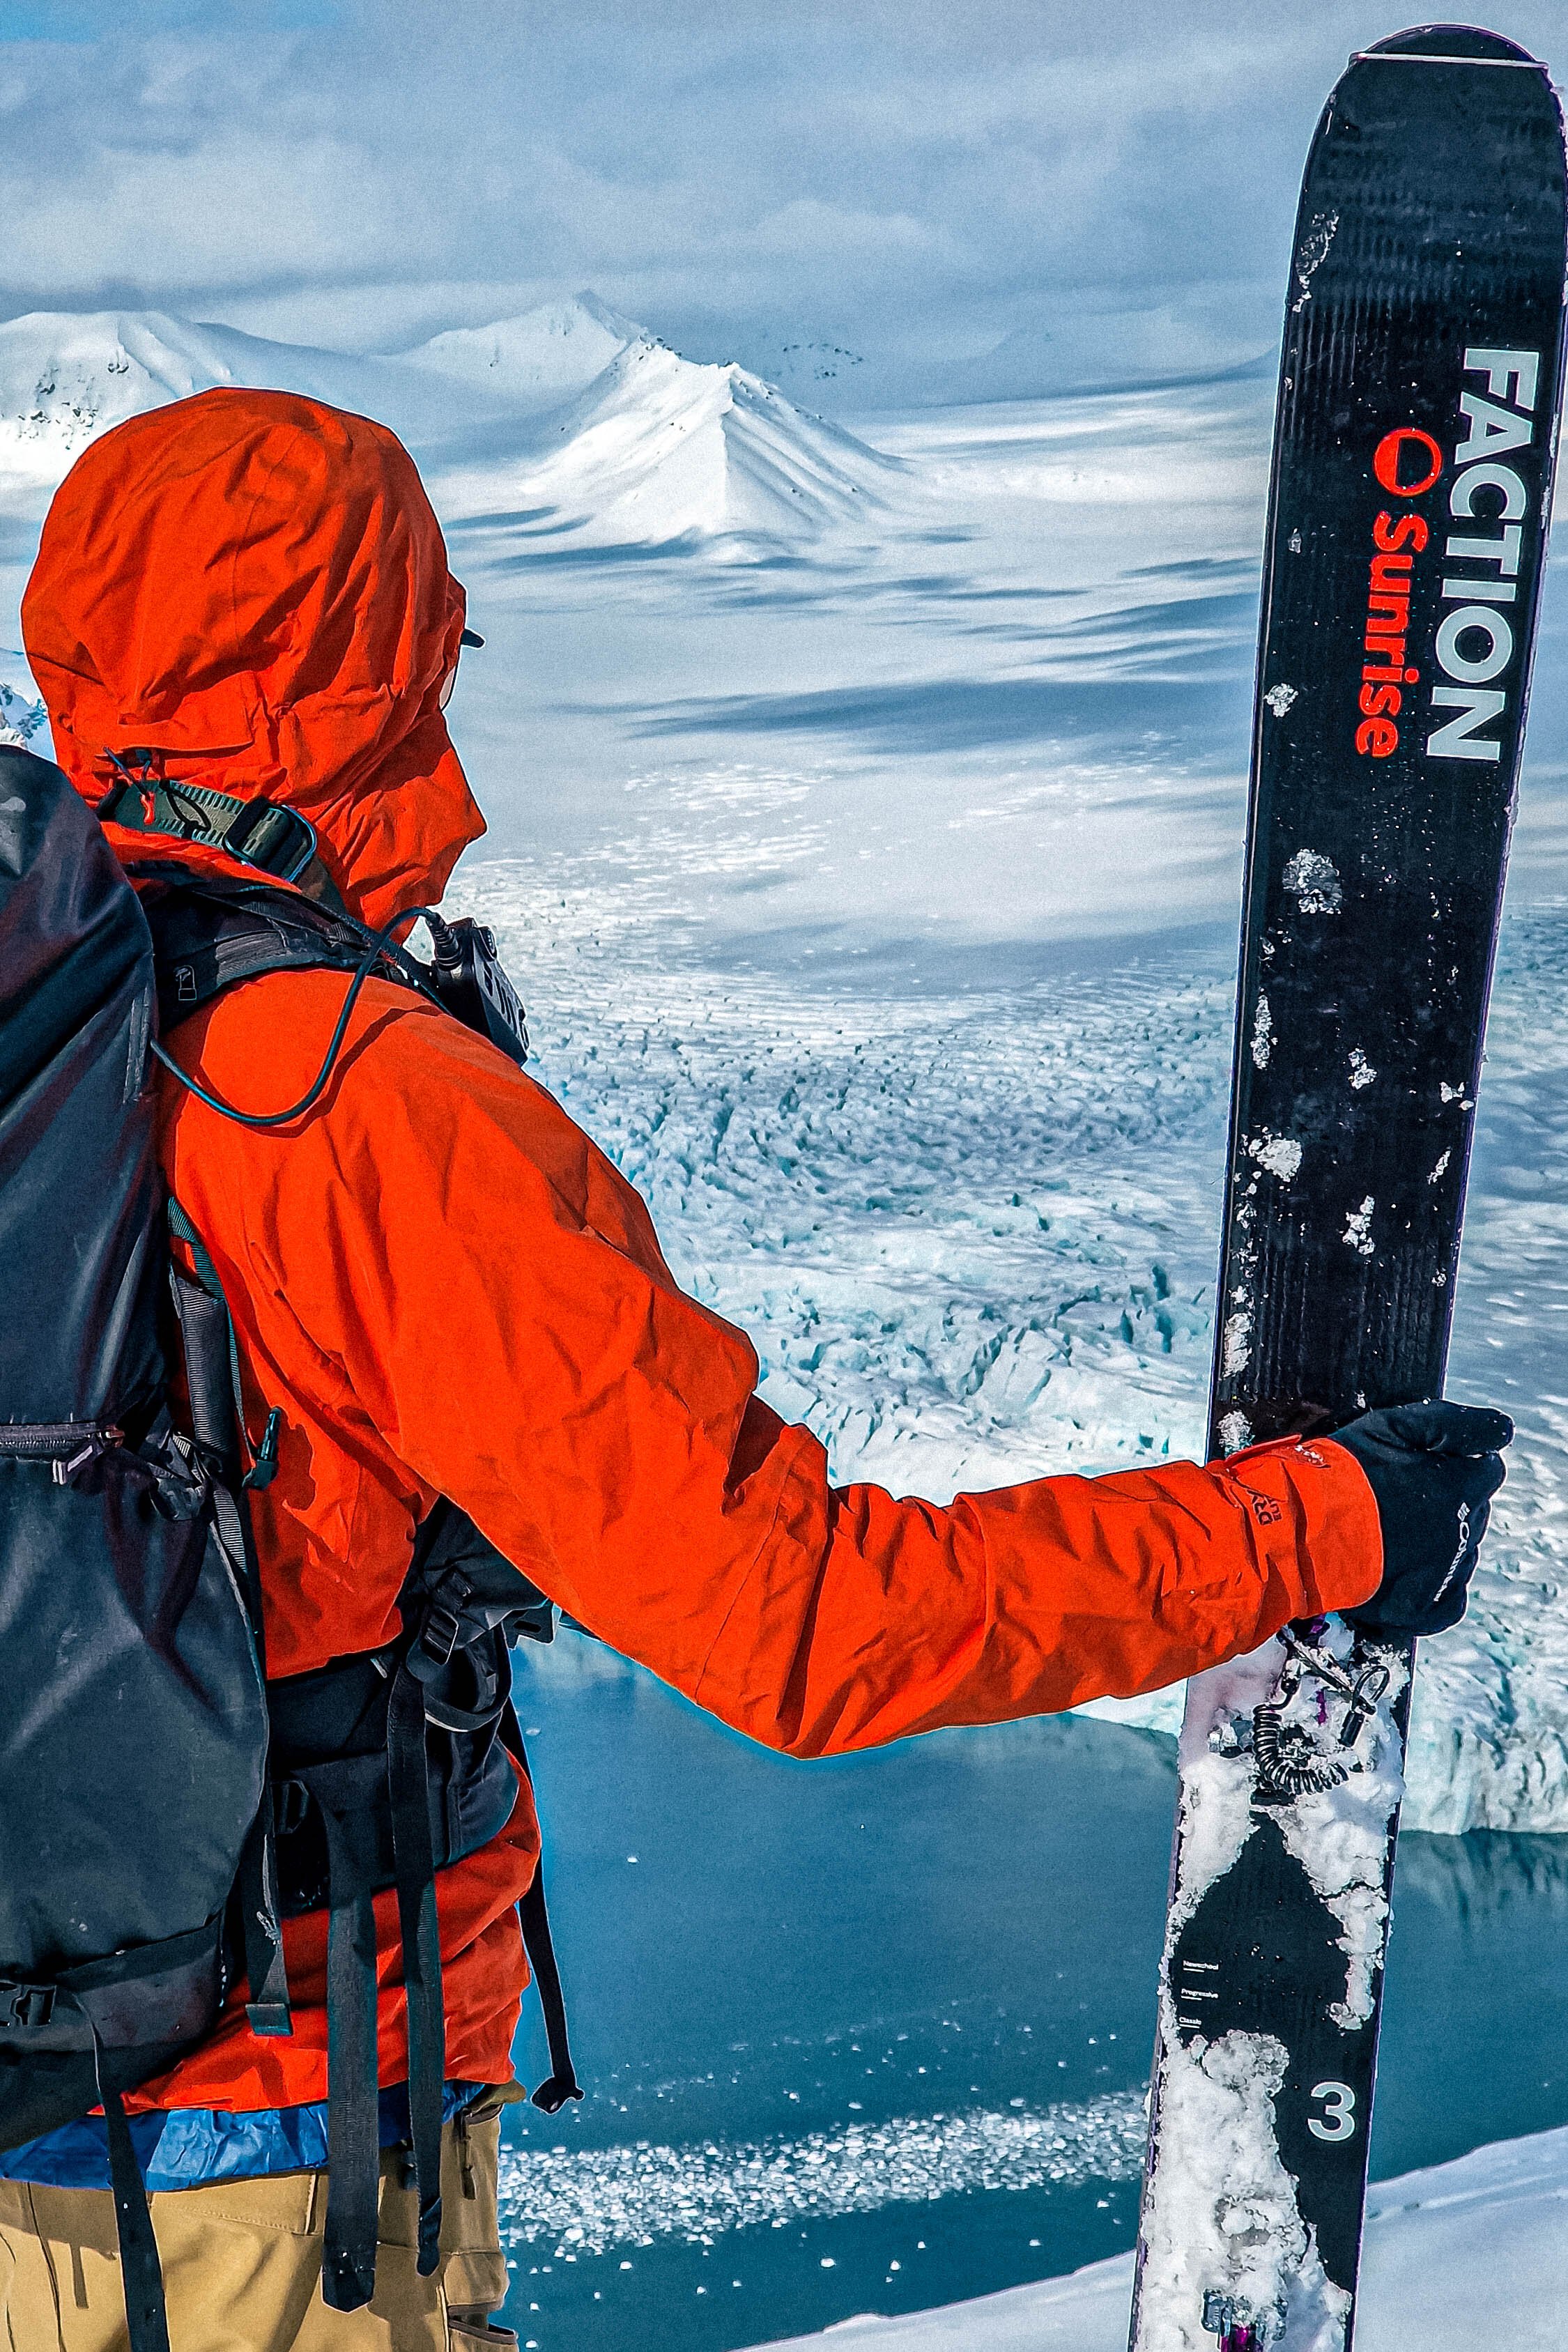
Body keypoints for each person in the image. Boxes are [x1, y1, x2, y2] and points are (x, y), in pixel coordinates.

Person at [0, 387, 1509, 2351]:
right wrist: (1320, 1528)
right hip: (259, 2159)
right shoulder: (361, 1111)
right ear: (374, 670)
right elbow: (802, 1625)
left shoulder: (35, 1036)